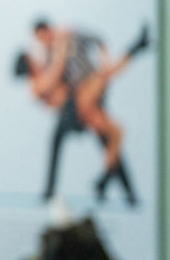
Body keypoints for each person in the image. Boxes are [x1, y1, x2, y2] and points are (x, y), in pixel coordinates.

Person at [14, 21, 150, 203]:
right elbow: (56, 72)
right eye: (32, 60)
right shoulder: (36, 85)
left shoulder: (47, 61)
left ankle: (110, 183)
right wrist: (60, 47)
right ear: (28, 67)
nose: (36, 59)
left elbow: (65, 64)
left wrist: (62, 44)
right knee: (103, 80)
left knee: (114, 135)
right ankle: (136, 47)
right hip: (72, 111)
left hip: (80, 103)